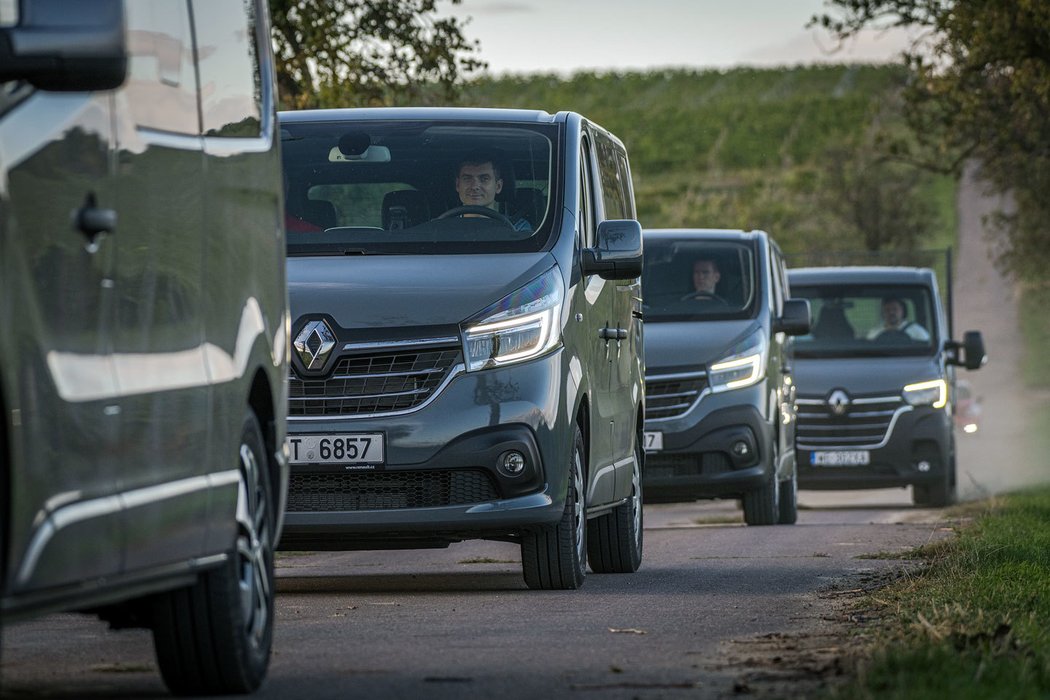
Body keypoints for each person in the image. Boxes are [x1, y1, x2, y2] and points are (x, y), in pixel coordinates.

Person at [453, 152, 532, 231]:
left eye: (484, 179)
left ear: (498, 186)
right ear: (458, 185)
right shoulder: (444, 226)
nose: (474, 186)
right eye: (467, 179)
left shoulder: (517, 227)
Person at [866, 297, 930, 341]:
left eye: (895, 309)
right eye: (887, 310)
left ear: (903, 311)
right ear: (883, 313)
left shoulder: (917, 332)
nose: (891, 312)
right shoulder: (874, 333)